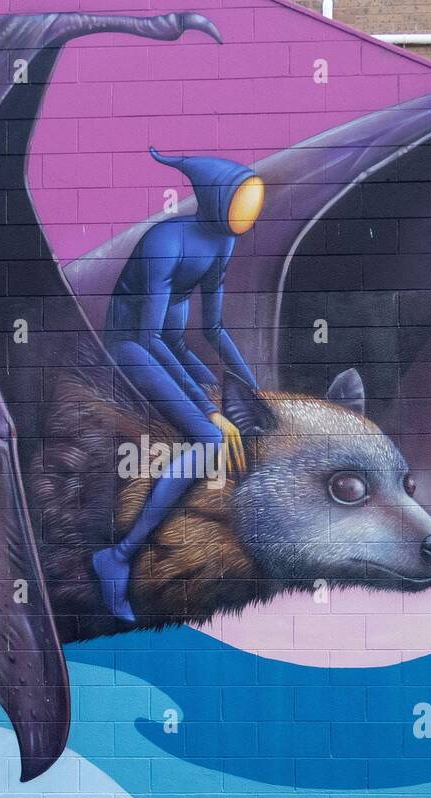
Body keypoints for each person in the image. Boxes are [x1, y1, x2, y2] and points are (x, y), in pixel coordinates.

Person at [91, 147, 264, 621]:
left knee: (231, 413)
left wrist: (251, 393)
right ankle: (119, 556)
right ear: (216, 198)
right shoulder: (167, 241)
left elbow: (212, 330)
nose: (251, 212)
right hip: (132, 347)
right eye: (243, 201)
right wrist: (210, 413)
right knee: (210, 439)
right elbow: (147, 339)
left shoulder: (221, 242)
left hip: (170, 345)